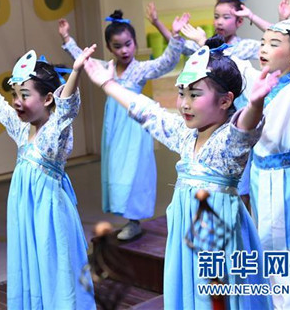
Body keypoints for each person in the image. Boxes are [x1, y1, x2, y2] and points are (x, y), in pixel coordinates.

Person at [82, 40, 279, 309]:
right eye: (181, 93)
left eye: (195, 95)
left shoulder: (229, 141)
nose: (184, 104)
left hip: (217, 236)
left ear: (225, 100)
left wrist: (256, 104)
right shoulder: (185, 136)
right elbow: (148, 112)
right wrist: (108, 84)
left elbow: (245, 127)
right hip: (186, 235)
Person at [0, 47, 97, 309]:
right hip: (25, 212)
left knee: (53, 261)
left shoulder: (55, 132)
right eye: (15, 94)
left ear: (48, 99)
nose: (17, 101)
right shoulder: (21, 128)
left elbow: (67, 108)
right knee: (32, 260)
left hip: (49, 213)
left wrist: (75, 72)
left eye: (24, 95)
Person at [58, 10, 186, 240]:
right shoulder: (106, 68)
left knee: (134, 171)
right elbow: (84, 60)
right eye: (117, 46)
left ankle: (134, 221)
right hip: (114, 129)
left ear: (135, 43)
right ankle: (128, 218)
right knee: (117, 169)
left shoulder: (140, 69)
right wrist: (67, 38)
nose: (124, 50)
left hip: (134, 127)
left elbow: (166, 62)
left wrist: (175, 37)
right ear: (109, 47)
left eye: (128, 44)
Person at [231, 19, 290, 309]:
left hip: (287, 177)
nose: (263, 48)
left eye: (273, 44)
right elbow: (238, 66)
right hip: (260, 175)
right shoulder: (259, 80)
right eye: (262, 42)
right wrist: (204, 42)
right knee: (266, 246)